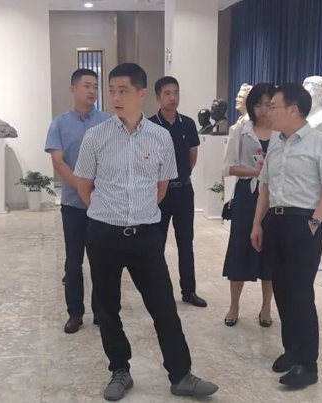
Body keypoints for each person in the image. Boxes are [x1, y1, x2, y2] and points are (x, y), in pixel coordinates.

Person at [74, 63, 218, 401]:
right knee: (107, 309)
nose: (115, 97)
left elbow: (161, 187)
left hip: (146, 236)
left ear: (141, 94)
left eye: (123, 91)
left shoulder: (160, 136)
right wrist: (109, 212)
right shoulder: (96, 136)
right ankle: (119, 370)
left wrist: (138, 213)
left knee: (164, 307)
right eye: (112, 90)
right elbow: (83, 186)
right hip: (104, 235)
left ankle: (180, 374)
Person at [251, 83, 322, 388]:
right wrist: (257, 224)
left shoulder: (321, 143)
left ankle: (308, 364)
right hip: (275, 223)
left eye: (273, 106)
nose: (268, 112)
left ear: (292, 110)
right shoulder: (276, 144)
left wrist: (314, 222)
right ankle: (292, 350)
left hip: (303, 222)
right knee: (281, 289)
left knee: (301, 293)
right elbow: (265, 188)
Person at [44, 68, 110, 334]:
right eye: (86, 86)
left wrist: (96, 191)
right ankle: (75, 313)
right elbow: (58, 162)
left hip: (102, 204)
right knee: (73, 262)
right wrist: (84, 189)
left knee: (101, 261)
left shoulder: (108, 122)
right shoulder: (59, 123)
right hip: (74, 204)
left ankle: (101, 312)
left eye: (95, 86)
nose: (92, 91)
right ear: (73, 89)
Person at [222, 83, 278, 327]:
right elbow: (228, 167)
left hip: (275, 197)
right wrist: (256, 172)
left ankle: (266, 307)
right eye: (259, 105)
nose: (264, 110)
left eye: (269, 105)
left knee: (270, 251)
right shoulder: (241, 130)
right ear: (251, 106)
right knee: (240, 248)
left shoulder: (282, 132)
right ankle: (234, 305)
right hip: (247, 194)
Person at [148, 76, 206, 308]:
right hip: (159, 194)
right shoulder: (149, 126)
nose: (172, 98)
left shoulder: (188, 124)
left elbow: (192, 157)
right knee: (157, 242)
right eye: (167, 93)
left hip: (183, 192)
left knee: (185, 242)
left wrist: (182, 177)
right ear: (158, 97)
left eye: (176, 93)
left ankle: (189, 291)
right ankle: (158, 292)